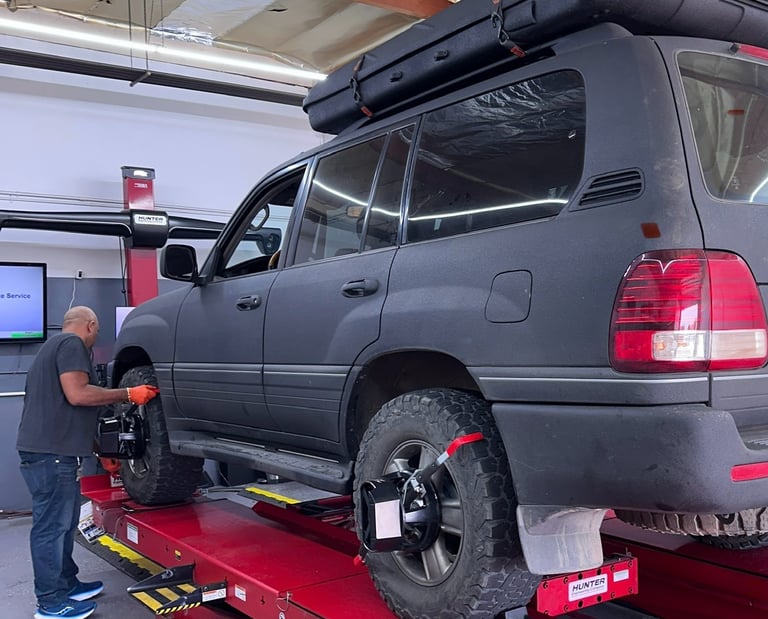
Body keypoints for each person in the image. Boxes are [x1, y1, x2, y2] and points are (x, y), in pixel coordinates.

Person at [16, 306, 158, 619]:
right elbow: (78, 395)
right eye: (97, 331)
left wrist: (98, 449)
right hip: (51, 456)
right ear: (90, 325)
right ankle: (51, 603)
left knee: (63, 524)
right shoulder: (72, 345)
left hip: (51, 452)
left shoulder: (49, 349)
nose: (95, 338)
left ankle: (67, 584)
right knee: (52, 527)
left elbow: (66, 410)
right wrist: (127, 394)